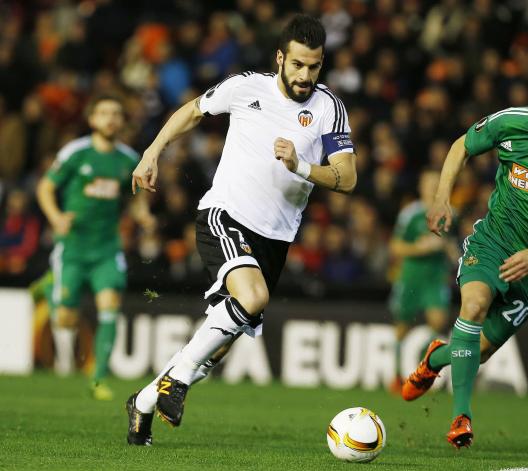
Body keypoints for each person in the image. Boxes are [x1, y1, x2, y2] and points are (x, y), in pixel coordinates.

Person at [126, 14, 357, 446]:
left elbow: (348, 178)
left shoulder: (329, 108)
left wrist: (302, 166)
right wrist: (152, 151)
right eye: (298, 65)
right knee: (252, 298)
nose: (306, 75)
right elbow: (193, 111)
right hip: (225, 215)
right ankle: (175, 382)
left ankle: (143, 400)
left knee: (223, 339)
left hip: (276, 238)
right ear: (280, 58)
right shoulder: (246, 87)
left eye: (315, 66)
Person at [401, 66, 528, 449]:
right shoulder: (511, 121)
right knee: (473, 306)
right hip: (494, 240)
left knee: (479, 350)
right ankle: (461, 417)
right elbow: (462, 145)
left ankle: (436, 360)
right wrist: (442, 195)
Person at [36, 95, 152, 400]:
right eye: (103, 113)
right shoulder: (76, 153)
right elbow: (45, 188)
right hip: (73, 247)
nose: (110, 118)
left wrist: (144, 216)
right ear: (92, 120)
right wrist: (56, 217)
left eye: (116, 113)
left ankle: (98, 378)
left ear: (122, 121)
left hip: (106, 248)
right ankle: (50, 288)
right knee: (64, 321)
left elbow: (136, 197)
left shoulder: (128, 159)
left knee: (110, 308)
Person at [388, 168, 459, 393]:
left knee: (438, 322)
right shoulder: (410, 214)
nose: (431, 187)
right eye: (428, 183)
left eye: (435, 183)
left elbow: (456, 249)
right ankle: (397, 375)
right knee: (402, 325)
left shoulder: (451, 213)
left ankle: (424, 368)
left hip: (435, 277)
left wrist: (446, 247)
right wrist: (419, 248)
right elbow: (396, 246)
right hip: (411, 276)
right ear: (421, 187)